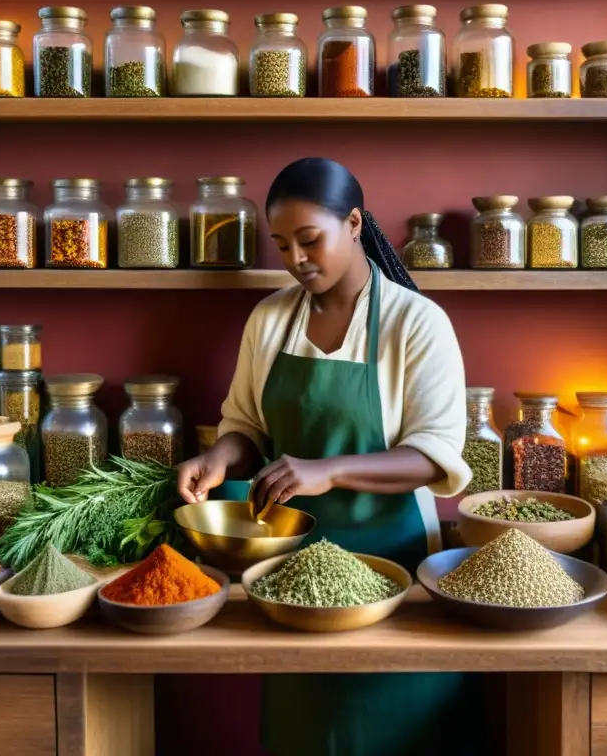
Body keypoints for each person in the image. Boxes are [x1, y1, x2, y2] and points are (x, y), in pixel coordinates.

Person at [176, 157, 476, 756]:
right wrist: (219, 458)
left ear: (356, 223)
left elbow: (435, 456)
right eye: (283, 245)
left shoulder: (417, 324)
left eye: (310, 240)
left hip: (393, 567)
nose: (295, 259)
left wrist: (327, 469)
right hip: (288, 574)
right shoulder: (270, 319)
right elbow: (246, 428)